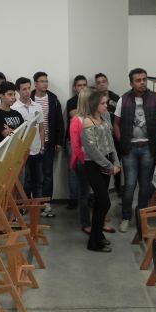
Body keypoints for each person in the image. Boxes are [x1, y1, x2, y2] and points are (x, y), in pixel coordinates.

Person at [113, 68, 156, 233]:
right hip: (129, 150)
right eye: (138, 80)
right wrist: (122, 143)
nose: (142, 82)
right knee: (129, 185)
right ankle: (126, 217)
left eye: (144, 79)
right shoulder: (123, 100)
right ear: (131, 83)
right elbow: (116, 124)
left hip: (148, 149)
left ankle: (141, 217)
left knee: (145, 186)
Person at [81, 91, 120, 253]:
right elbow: (92, 151)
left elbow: (111, 143)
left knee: (99, 202)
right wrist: (109, 166)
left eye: (106, 103)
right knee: (105, 202)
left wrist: (116, 161)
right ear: (94, 105)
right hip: (94, 166)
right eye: (103, 103)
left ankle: (98, 236)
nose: (106, 106)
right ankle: (93, 243)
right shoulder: (87, 122)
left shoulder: (106, 117)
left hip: (107, 163)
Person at [31, 72, 64, 217]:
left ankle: (46, 203)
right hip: (33, 144)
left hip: (48, 142)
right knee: (33, 175)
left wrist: (59, 141)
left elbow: (59, 122)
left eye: (46, 81)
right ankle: (33, 203)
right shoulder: (30, 98)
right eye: (42, 81)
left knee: (47, 174)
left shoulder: (53, 99)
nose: (45, 83)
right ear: (35, 84)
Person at [12, 77, 45, 199]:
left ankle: (38, 205)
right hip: (22, 151)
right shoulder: (14, 108)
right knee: (25, 182)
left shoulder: (37, 106)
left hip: (37, 149)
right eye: (24, 89)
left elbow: (41, 128)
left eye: (28, 88)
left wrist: (42, 146)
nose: (27, 91)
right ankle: (24, 206)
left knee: (38, 180)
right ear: (18, 91)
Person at [69, 88, 93, 235]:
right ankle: (85, 223)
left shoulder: (95, 118)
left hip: (95, 162)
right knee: (84, 194)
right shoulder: (76, 120)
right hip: (82, 162)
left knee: (97, 193)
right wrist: (87, 161)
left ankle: (99, 220)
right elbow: (76, 147)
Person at [94, 72, 122, 195]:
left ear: (107, 83)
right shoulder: (94, 99)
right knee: (103, 163)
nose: (101, 84)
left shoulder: (116, 98)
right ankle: (101, 191)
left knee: (117, 160)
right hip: (101, 137)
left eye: (103, 81)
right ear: (96, 85)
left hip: (115, 135)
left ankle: (118, 187)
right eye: (98, 83)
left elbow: (121, 116)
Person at [65, 75, 89, 209]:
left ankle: (88, 197)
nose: (82, 87)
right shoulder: (71, 101)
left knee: (89, 170)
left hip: (89, 142)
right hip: (73, 141)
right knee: (73, 170)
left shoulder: (92, 100)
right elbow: (75, 115)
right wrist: (88, 114)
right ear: (75, 88)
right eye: (79, 85)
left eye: (84, 85)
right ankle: (73, 198)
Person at [0, 81, 24, 146]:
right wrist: (18, 131)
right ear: (2, 95)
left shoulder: (17, 113)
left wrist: (12, 130)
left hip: (18, 149)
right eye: (10, 94)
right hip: (4, 151)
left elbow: (25, 132)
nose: (13, 97)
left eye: (14, 94)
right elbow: (8, 135)